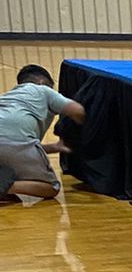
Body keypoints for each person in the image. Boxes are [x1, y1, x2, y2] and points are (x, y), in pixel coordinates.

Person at [0, 64, 83, 205]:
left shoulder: (8, 97)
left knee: (9, 170)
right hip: (16, 144)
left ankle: (4, 185)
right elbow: (77, 110)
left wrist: (55, 147)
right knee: (51, 188)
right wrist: (85, 127)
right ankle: (5, 187)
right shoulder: (43, 90)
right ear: (42, 82)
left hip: (12, 146)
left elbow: (20, 149)